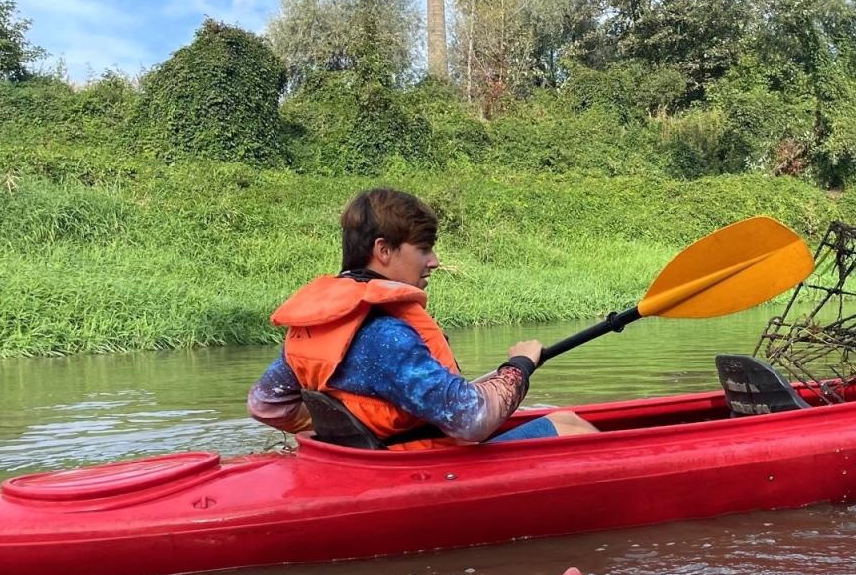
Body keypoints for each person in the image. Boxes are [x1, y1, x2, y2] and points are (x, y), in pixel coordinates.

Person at [248, 187, 597, 449]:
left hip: (365, 461)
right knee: (570, 428)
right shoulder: (386, 334)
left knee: (563, 420)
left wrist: (344, 435)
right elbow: (472, 419)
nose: (435, 261)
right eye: (424, 249)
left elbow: (266, 405)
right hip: (414, 470)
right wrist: (518, 367)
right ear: (384, 250)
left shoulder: (316, 327)